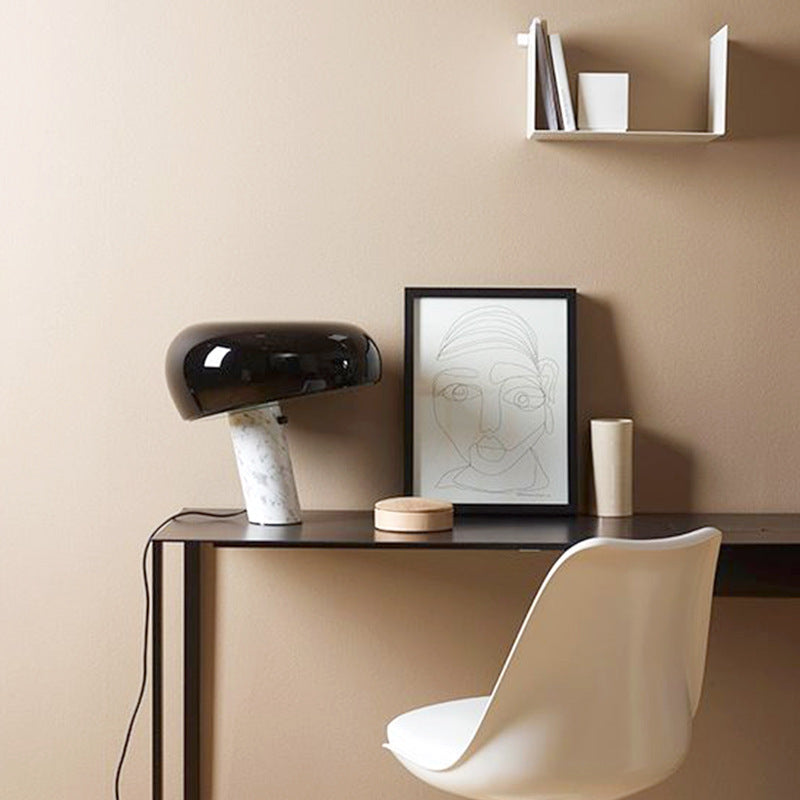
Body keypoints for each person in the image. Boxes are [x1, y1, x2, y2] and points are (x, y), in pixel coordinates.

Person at [433, 305, 557, 495]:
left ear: (547, 386)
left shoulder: (554, 491)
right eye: (460, 392)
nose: (489, 425)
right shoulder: (437, 491)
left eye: (520, 397)